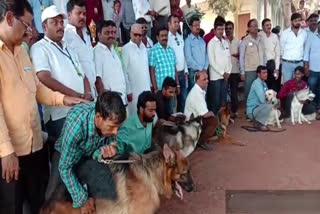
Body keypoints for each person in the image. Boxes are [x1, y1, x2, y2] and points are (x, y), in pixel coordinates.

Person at [0, 1, 85, 213]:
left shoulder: (22, 51)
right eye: (26, 24)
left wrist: (65, 99)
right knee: (13, 207)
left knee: (41, 204)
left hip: (35, 147)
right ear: (10, 18)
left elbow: (37, 89)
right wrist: (6, 152)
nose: (30, 30)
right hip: (11, 154)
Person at [46, 91, 126, 213]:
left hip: (88, 155)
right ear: (98, 117)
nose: (115, 132)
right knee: (52, 199)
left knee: (103, 191)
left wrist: (108, 149)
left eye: (118, 128)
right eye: (111, 127)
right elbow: (65, 168)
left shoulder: (110, 120)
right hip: (65, 156)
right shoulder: (76, 127)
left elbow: (110, 145)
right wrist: (82, 199)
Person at [30, 5, 92, 142]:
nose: (60, 26)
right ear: (44, 27)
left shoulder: (69, 46)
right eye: (54, 23)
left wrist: (87, 94)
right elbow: (44, 78)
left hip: (81, 108)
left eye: (61, 22)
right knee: (66, 156)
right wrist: (74, 95)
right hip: (60, 114)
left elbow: (83, 75)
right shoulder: (39, 48)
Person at [64, 0, 97, 98]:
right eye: (78, 13)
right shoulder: (65, 36)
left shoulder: (87, 34)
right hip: (79, 92)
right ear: (69, 15)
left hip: (93, 90)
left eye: (84, 14)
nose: (82, 17)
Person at [94, 20, 129, 106]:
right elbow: (98, 80)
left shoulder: (114, 49)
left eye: (113, 32)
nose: (111, 35)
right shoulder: (97, 51)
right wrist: (104, 104)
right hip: (110, 104)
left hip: (121, 100)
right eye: (107, 33)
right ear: (99, 35)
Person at [122, 24, 151, 115]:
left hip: (145, 87)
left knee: (146, 113)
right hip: (133, 90)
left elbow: (146, 68)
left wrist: (149, 85)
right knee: (134, 114)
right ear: (130, 34)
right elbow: (124, 71)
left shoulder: (144, 48)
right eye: (135, 35)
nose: (138, 37)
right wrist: (128, 90)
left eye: (140, 35)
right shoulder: (126, 49)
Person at [184, 71, 215, 151]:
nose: (207, 81)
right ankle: (201, 141)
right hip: (191, 123)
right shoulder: (196, 93)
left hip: (195, 119)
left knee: (213, 120)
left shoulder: (199, 90)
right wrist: (212, 113)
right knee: (214, 120)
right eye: (204, 79)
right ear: (197, 81)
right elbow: (204, 114)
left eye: (207, 79)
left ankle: (201, 137)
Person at [207, 18, 231, 115]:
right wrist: (222, 73)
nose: (221, 31)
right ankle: (215, 125)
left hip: (225, 77)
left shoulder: (225, 42)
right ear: (215, 30)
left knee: (223, 101)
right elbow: (212, 62)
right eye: (219, 29)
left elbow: (228, 58)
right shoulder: (211, 44)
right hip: (216, 77)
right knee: (215, 102)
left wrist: (228, 71)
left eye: (223, 29)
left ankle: (222, 124)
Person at [239, 19, 264, 110]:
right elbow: (241, 57)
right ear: (248, 28)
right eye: (253, 26)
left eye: (256, 25)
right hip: (249, 70)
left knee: (259, 91)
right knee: (249, 91)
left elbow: (262, 54)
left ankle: (257, 110)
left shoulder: (261, 39)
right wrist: (242, 72)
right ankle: (248, 111)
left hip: (260, 70)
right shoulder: (245, 41)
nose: (255, 28)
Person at [149, 26, 179, 94]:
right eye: (162, 36)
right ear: (157, 37)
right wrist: (155, 88)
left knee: (173, 105)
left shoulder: (171, 50)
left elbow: (174, 69)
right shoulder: (153, 51)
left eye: (166, 35)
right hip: (160, 90)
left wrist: (177, 85)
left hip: (172, 89)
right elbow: (152, 71)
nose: (164, 38)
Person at [168, 15, 188, 113]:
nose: (177, 24)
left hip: (182, 73)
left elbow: (183, 54)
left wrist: (186, 70)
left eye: (178, 22)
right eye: (174, 22)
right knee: (172, 102)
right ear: (169, 24)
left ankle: (181, 121)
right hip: (173, 74)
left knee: (183, 99)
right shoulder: (166, 38)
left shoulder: (180, 37)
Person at [280, 13, 307, 83]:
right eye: (296, 20)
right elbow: (281, 48)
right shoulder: (285, 33)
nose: (298, 22)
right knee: (287, 86)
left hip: (299, 63)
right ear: (291, 21)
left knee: (298, 85)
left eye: (299, 21)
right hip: (287, 64)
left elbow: (305, 48)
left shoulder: (304, 33)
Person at [184, 17, 208, 92]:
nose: (198, 27)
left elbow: (206, 56)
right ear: (191, 27)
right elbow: (188, 59)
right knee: (195, 95)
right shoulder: (188, 41)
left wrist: (205, 68)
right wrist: (201, 69)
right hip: (194, 73)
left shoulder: (202, 41)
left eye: (199, 25)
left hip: (204, 72)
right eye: (195, 25)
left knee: (204, 94)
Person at [246, 66, 271, 131]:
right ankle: (259, 123)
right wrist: (272, 103)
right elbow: (263, 100)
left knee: (274, 109)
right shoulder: (257, 83)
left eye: (266, 72)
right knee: (269, 106)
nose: (266, 74)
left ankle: (261, 120)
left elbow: (268, 97)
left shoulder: (264, 83)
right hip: (253, 110)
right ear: (258, 74)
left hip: (259, 108)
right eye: (264, 73)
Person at [259, 18, 281, 92]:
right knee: (263, 85)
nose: (269, 26)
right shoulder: (259, 36)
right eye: (267, 25)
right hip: (262, 63)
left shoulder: (274, 36)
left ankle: (273, 102)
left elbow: (277, 53)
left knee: (274, 85)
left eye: (270, 25)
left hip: (272, 64)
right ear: (262, 27)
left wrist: (277, 68)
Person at [304, 18, 320, 115]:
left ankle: (319, 107)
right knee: (312, 88)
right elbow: (306, 52)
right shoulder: (311, 37)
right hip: (313, 69)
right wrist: (306, 66)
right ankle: (312, 108)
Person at [225, 21, 240, 118]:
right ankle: (225, 112)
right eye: (226, 28)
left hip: (235, 70)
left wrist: (236, 55)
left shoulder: (237, 41)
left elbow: (241, 55)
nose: (228, 30)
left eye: (230, 28)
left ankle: (235, 111)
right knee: (224, 92)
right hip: (225, 71)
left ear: (233, 29)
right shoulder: (222, 41)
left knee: (234, 92)